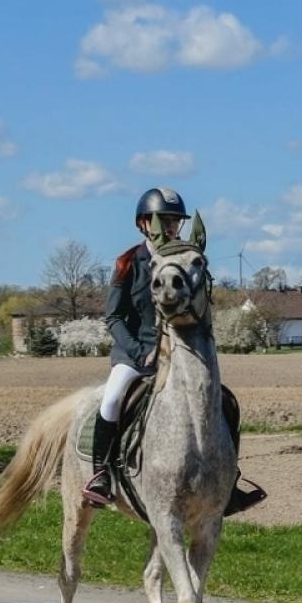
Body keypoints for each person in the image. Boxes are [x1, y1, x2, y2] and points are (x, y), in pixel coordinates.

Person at [85, 186, 263, 515]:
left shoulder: (183, 260)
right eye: (163, 220)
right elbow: (113, 316)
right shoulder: (128, 262)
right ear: (143, 223)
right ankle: (102, 475)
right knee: (111, 399)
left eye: (174, 221)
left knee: (225, 402)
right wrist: (139, 351)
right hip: (136, 355)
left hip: (178, 356)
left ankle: (229, 482)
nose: (169, 227)